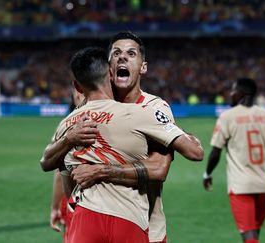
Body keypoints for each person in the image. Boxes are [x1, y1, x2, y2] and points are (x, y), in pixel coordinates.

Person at [42, 31, 199, 243]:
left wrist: (100, 171)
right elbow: (62, 162)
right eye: (116, 53)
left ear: (143, 67)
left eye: (131, 54)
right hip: (91, 219)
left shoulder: (153, 107)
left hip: (147, 227)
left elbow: (159, 168)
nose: (122, 57)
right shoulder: (90, 107)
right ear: (108, 68)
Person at [202, 78, 265, 243]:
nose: (230, 95)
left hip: (241, 186)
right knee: (254, 233)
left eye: (232, 91)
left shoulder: (227, 117)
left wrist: (207, 174)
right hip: (264, 185)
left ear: (241, 94)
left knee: (250, 237)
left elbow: (215, 152)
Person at [49, 89, 84, 242]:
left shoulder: (69, 125)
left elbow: (59, 172)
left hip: (75, 197)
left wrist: (55, 207)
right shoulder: (113, 117)